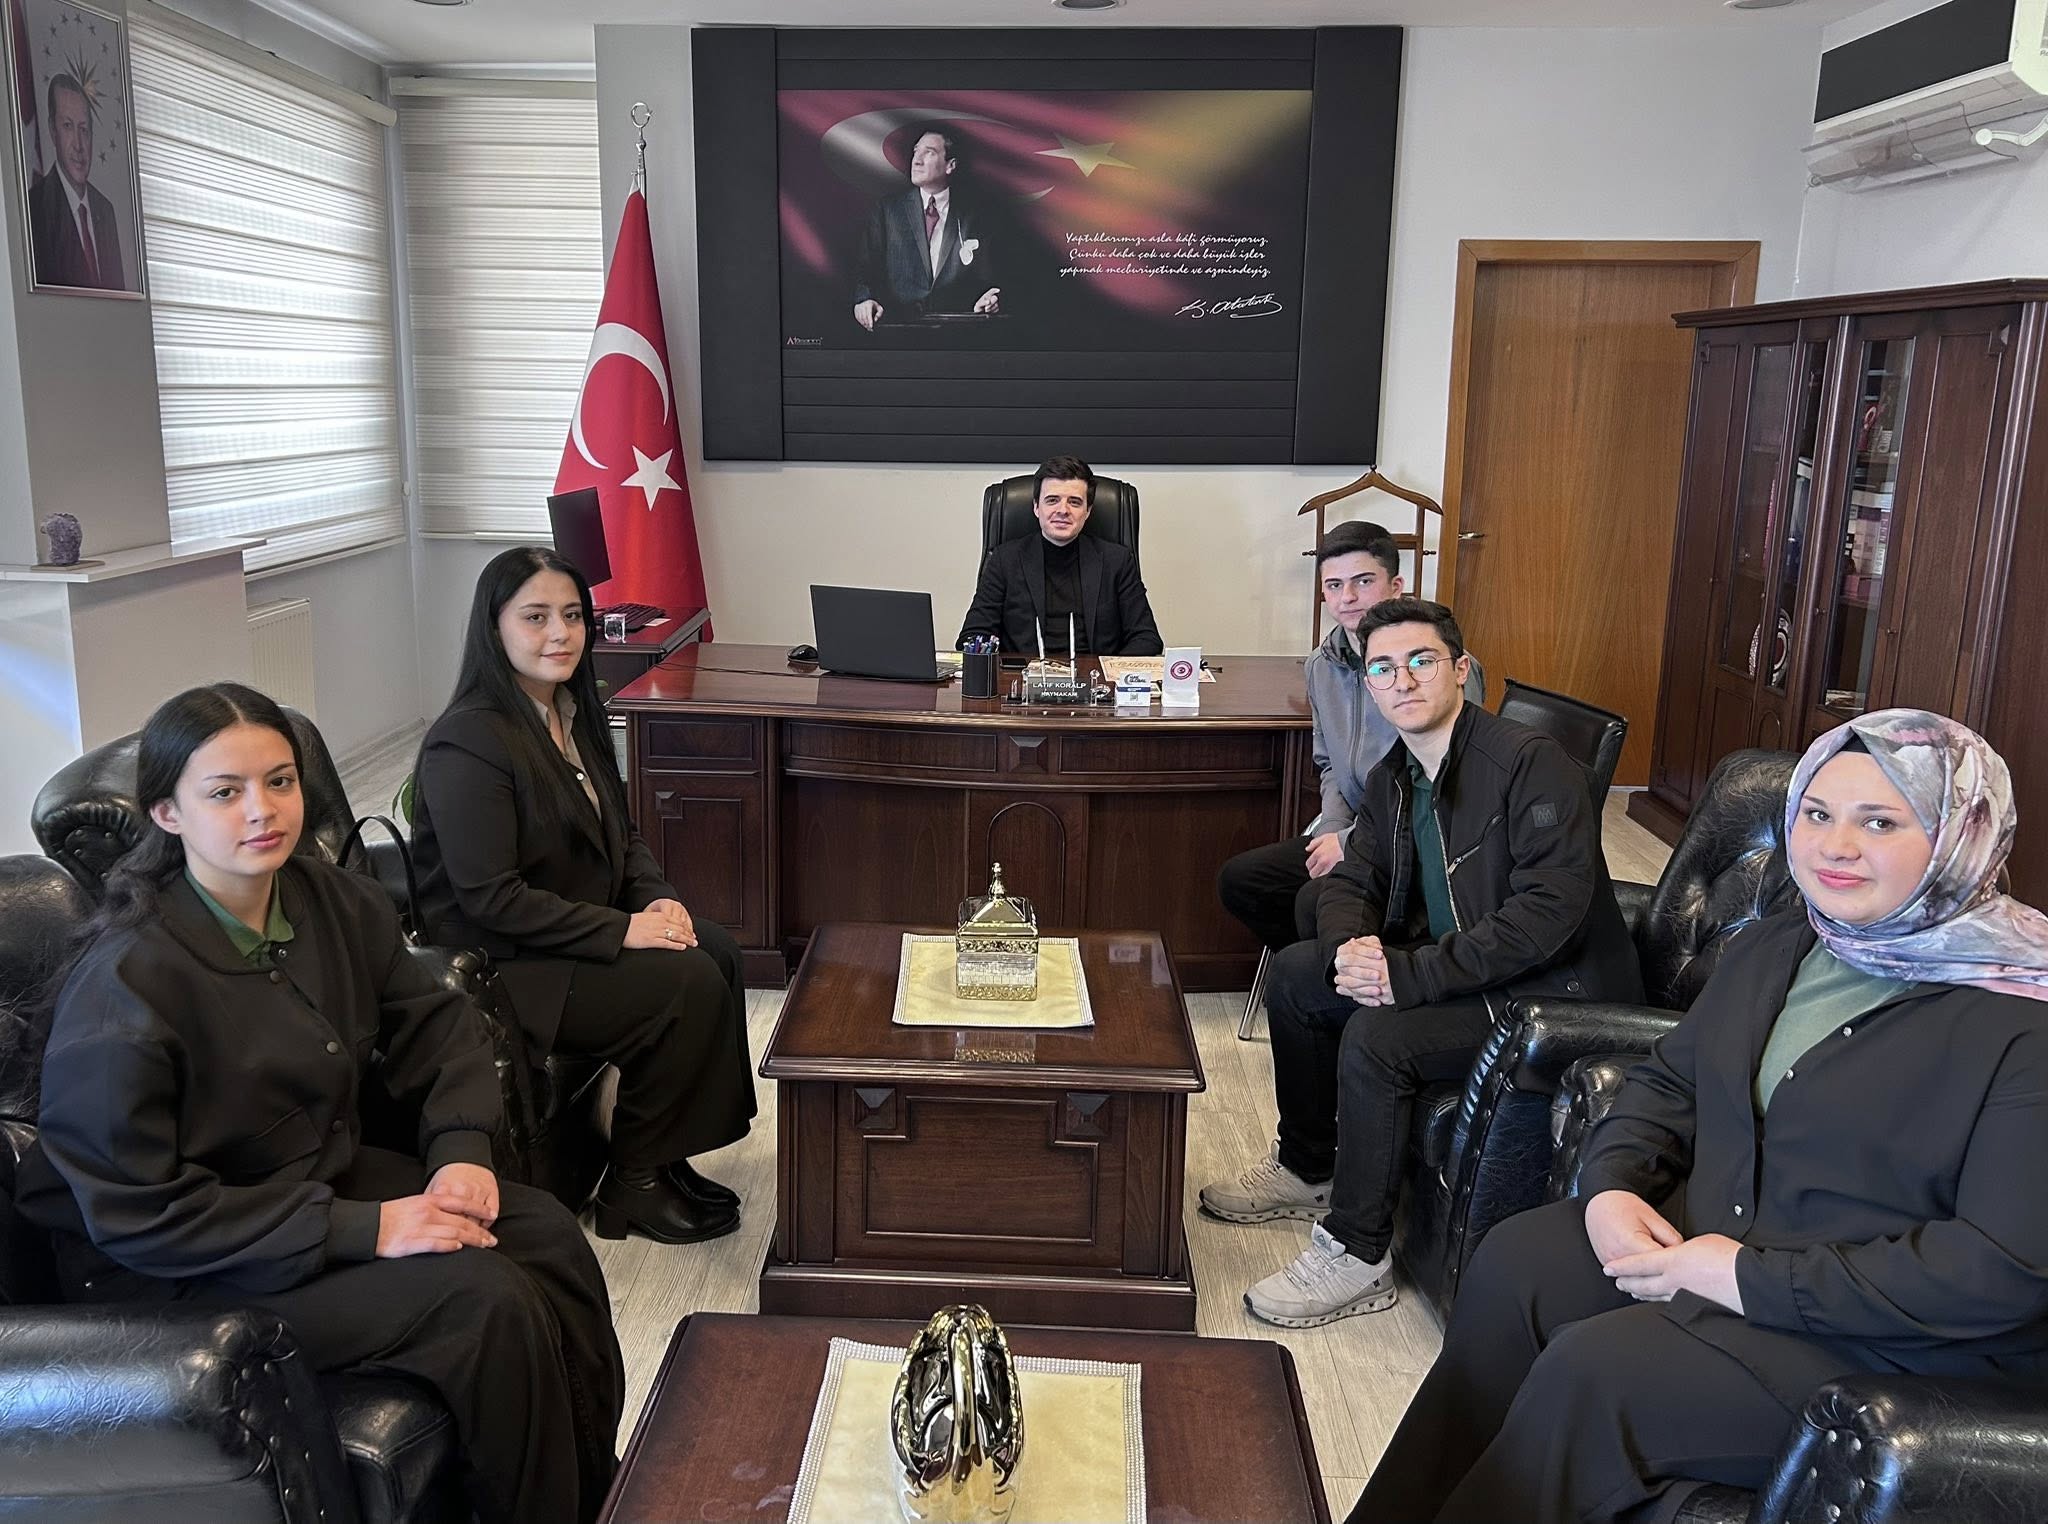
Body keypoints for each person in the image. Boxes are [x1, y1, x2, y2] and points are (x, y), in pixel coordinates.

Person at [1351, 709, 2048, 1524]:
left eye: (1881, 822)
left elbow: (1999, 1271)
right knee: (1521, 1264)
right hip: (1730, 1246)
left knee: (1600, 1375)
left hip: (1886, 1341)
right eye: (1817, 814)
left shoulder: (2021, 1018)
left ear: (1963, 836)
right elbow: (1669, 1080)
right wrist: (1611, 1188)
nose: (1835, 846)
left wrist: (1743, 1279)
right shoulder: (1789, 942)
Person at [9, 683, 623, 1524]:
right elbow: (140, 1214)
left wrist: (461, 1152)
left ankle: (604, 1489)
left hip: (295, 1180)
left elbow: (435, 1022)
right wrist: (370, 1229)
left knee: (545, 1233)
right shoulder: (126, 988)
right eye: (224, 792)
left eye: (280, 781)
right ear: (167, 814)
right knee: (480, 1301)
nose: (262, 810)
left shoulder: (328, 899)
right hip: (172, 1265)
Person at [1202, 596, 1641, 1324]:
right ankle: (1309, 1167)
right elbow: (1353, 879)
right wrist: (1351, 949)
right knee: (1301, 975)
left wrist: (1407, 974)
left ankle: (1358, 1252)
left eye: (1420, 661)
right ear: (1369, 683)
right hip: (1475, 967)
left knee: (1381, 1037)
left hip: (1553, 994)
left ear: (1461, 670)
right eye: (1382, 668)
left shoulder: (1532, 765)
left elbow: (1547, 917)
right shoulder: (1397, 773)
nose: (1401, 680)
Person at [410, 546, 756, 1246]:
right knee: (683, 984)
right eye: (536, 617)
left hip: (560, 934)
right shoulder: (468, 741)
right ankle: (633, 1183)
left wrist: (656, 902)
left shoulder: (572, 713)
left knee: (713, 948)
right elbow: (490, 899)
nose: (560, 634)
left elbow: (623, 836)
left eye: (572, 615)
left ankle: (665, 1153)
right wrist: (621, 931)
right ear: (494, 627)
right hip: (503, 963)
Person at [1217, 521, 1487, 956]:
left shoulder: (1436, 667)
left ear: (1395, 587)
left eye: (1363, 582)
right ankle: (1317, 972)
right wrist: (1332, 830)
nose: (1347, 597)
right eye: (1334, 585)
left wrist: (1350, 844)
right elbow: (1330, 764)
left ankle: (1342, 977)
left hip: (1422, 843)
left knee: (1316, 901)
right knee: (1243, 881)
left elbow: (1446, 788)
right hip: (1358, 829)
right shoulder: (1320, 666)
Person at [956, 455, 1162, 658]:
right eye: (1052, 500)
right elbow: (973, 636)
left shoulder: (1117, 561)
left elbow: (1146, 638)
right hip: (1024, 676)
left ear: (1088, 511)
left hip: (1095, 677)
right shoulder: (1004, 560)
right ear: (1036, 507)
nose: (1063, 510)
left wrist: (1110, 672)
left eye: (1075, 502)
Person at [852, 126, 1001, 329]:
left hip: (958, 330)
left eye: (929, 152)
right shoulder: (888, 210)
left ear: (950, 165)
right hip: (899, 330)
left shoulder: (976, 215)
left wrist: (989, 299)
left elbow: (990, 280)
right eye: (916, 151)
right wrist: (864, 300)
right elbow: (865, 270)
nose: (917, 160)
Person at [27, 73, 126, 291]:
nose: (78, 145)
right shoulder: (34, 210)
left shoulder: (105, 211)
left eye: (83, 129)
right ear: (53, 131)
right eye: (67, 126)